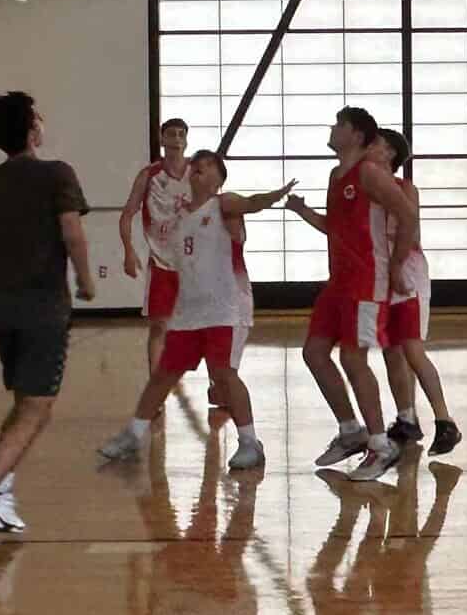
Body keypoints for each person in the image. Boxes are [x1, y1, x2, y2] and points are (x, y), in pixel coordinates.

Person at [0, 90, 94, 554]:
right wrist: (86, 280)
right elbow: (71, 231)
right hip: (43, 307)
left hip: (1, 310)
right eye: (39, 116)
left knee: (24, 403)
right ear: (31, 129)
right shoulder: (56, 174)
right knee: (37, 409)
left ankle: (0, 497)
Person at [96, 151, 293, 473]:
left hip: (225, 308)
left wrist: (275, 196)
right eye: (195, 167)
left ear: (219, 178)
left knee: (223, 374)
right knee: (163, 376)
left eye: (207, 167)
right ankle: (133, 434)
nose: (198, 170)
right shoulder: (180, 218)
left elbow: (252, 202)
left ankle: (249, 442)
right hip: (189, 312)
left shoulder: (224, 204)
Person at [285, 106, 420, 481]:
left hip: (366, 280)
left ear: (356, 135)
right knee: (313, 353)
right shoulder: (336, 174)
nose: (331, 128)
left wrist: (395, 265)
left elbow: (408, 217)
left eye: (338, 124)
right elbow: (334, 226)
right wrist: (302, 211)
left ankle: (381, 445)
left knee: (353, 359)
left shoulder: (370, 174)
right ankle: (350, 431)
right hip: (337, 282)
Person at [376, 129, 461, 458]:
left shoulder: (404, 189)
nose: (372, 150)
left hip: (406, 273)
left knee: (411, 350)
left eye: (379, 146)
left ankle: (444, 419)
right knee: (390, 351)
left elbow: (410, 232)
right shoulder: (366, 188)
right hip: (380, 276)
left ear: (391, 156)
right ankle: (406, 418)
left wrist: (396, 268)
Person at [118, 115, 190, 359]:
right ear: (162, 139)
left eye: (181, 134)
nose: (177, 139)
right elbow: (127, 214)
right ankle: (156, 390)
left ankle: (215, 381)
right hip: (162, 262)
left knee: (202, 326)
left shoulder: (198, 173)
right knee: (159, 326)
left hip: (194, 261)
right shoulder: (149, 175)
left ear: (186, 140)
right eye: (171, 134)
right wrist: (129, 251)